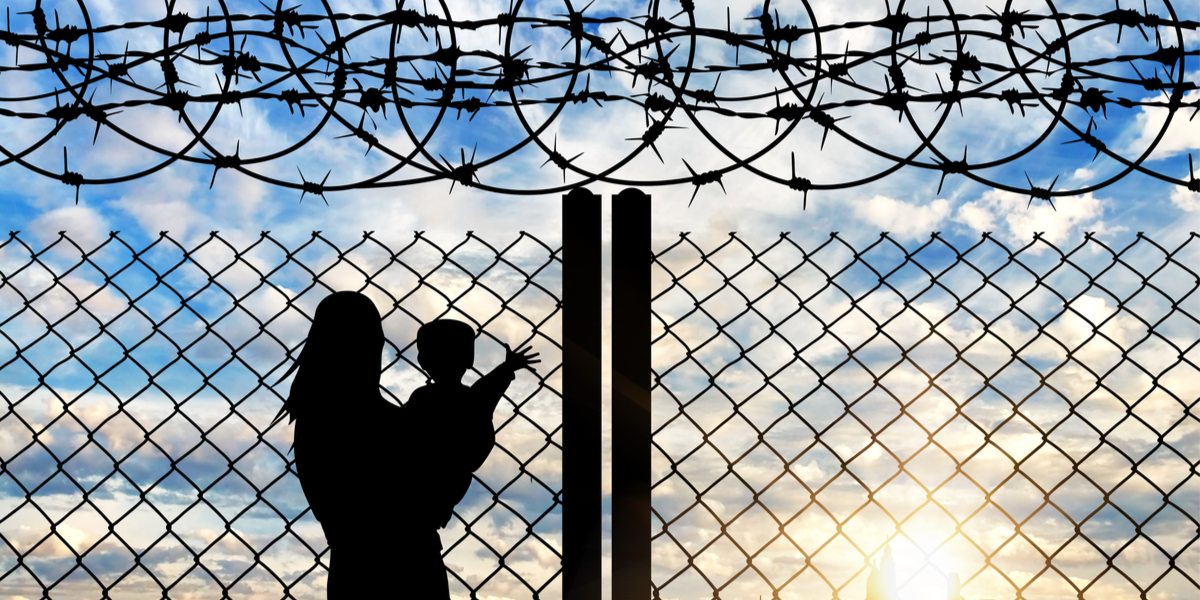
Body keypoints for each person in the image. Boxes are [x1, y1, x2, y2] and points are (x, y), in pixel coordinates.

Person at [272, 291, 538, 599]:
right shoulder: (397, 421)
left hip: (351, 569)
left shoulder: (311, 422)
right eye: (375, 339)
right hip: (411, 566)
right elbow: (459, 456)